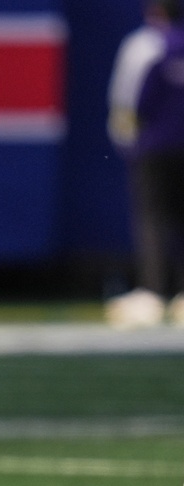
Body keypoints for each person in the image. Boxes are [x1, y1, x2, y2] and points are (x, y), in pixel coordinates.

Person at [105, 0, 184, 329]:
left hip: (153, 147)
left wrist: (127, 144)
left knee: (151, 218)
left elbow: (125, 103)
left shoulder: (143, 45)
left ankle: (154, 292)